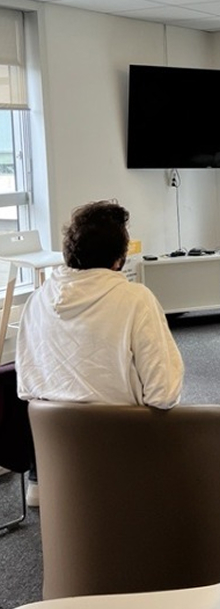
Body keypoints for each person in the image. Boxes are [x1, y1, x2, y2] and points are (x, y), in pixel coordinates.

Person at [16, 200, 184, 506]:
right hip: (124, 460)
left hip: (56, 464)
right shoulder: (136, 299)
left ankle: (39, 481)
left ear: (69, 252)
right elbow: (164, 393)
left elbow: (26, 386)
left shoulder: (36, 300)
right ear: (119, 260)